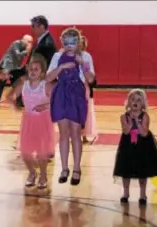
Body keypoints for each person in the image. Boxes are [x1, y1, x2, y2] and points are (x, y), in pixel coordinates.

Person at [46, 27, 95, 186]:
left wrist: (83, 65)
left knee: (76, 132)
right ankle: (64, 168)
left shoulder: (85, 56)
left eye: (72, 42)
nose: (69, 45)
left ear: (78, 42)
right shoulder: (57, 56)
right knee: (63, 132)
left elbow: (91, 79)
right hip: (61, 94)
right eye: (65, 42)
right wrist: (60, 68)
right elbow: (48, 77)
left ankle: (77, 168)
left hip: (77, 95)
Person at [6, 54, 55, 189]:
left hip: (43, 121)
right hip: (28, 121)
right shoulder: (24, 84)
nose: (33, 72)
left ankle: (43, 175)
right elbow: (9, 96)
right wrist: (15, 105)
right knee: (25, 152)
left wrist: (45, 106)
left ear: (42, 72)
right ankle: (32, 173)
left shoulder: (46, 86)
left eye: (36, 69)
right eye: (31, 69)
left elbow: (57, 102)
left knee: (41, 152)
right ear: (27, 70)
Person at [113, 89, 157, 205]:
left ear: (143, 104)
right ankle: (125, 193)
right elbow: (126, 131)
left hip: (143, 146)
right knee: (125, 170)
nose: (135, 102)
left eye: (138, 100)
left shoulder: (145, 116)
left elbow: (144, 133)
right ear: (128, 103)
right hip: (127, 146)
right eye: (132, 100)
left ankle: (143, 195)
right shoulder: (124, 117)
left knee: (143, 171)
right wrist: (130, 123)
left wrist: (137, 122)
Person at [0, 35, 33, 108]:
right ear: (23, 40)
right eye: (29, 41)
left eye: (31, 42)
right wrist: (27, 51)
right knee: (1, 85)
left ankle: (19, 102)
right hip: (6, 66)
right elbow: (18, 55)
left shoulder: (25, 47)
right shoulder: (16, 43)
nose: (30, 43)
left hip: (14, 67)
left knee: (17, 84)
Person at [80, 36, 98, 143]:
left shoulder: (86, 56)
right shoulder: (69, 55)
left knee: (85, 112)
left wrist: (82, 63)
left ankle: (84, 136)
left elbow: (89, 72)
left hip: (83, 86)